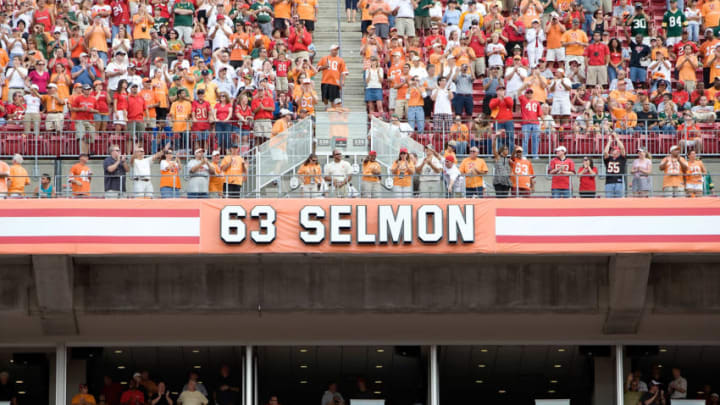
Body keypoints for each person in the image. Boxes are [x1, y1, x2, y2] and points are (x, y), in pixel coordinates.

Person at [317, 45, 349, 109]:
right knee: (325, 97)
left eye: (337, 50)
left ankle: (333, 110)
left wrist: (342, 81)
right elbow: (317, 68)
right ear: (331, 50)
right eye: (334, 50)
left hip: (334, 82)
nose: (336, 51)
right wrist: (324, 67)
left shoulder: (340, 60)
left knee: (333, 99)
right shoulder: (324, 58)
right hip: (325, 80)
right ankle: (326, 106)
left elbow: (344, 72)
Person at [603, 133, 627, 198]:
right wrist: (609, 141)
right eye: (612, 150)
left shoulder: (621, 159)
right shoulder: (609, 159)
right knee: (609, 201)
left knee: (619, 201)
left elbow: (622, 148)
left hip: (619, 182)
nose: (613, 151)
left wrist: (617, 139)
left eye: (615, 150)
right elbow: (605, 152)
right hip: (609, 182)